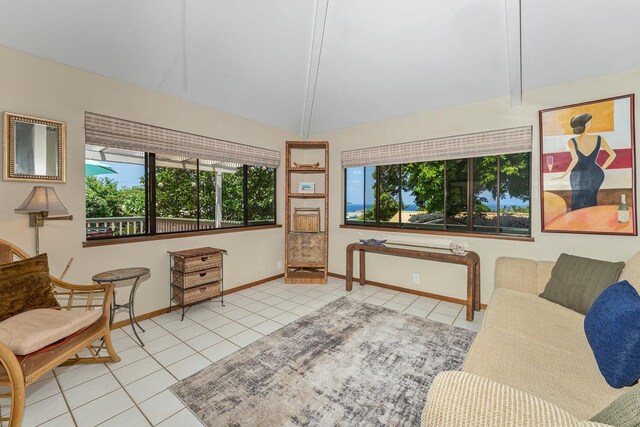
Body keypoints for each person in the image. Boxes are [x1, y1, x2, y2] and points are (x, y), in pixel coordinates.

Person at [554, 113, 616, 210]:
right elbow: (613, 155)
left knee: (577, 199)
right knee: (591, 198)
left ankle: (578, 221)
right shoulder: (599, 138)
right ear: (587, 124)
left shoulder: (571, 141)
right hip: (595, 173)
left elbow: (575, 160)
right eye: (590, 122)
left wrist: (563, 175)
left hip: (577, 174)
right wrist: (601, 169)